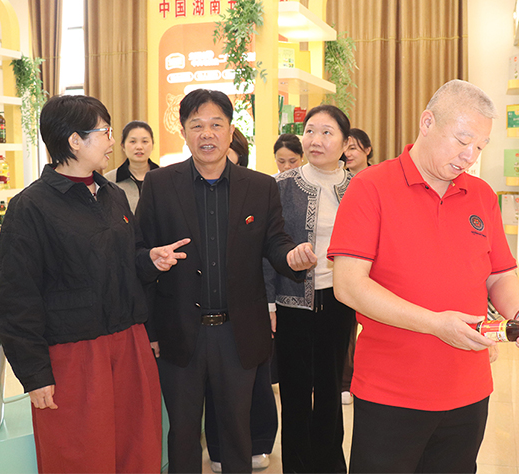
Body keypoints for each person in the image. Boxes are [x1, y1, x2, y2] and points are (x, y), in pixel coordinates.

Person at [328, 80, 519, 474]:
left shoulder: (481, 195)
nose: (470, 155)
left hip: (469, 390)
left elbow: (499, 276)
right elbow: (348, 285)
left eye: (480, 146)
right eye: (462, 140)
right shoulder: (370, 187)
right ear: (427, 123)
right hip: (391, 392)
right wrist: (434, 324)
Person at [0, 95, 189, 473]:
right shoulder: (30, 207)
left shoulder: (113, 195)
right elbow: (15, 296)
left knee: (137, 449)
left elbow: (126, 261)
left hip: (129, 344)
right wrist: (34, 374)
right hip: (73, 356)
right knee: (82, 456)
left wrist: (149, 259)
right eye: (105, 132)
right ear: (74, 141)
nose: (113, 142)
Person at [135, 88, 316, 474]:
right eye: (196, 125)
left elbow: (276, 243)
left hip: (238, 334)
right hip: (179, 331)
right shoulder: (159, 184)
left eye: (216, 124)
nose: (207, 133)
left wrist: (292, 258)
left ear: (231, 130)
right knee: (183, 434)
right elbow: (139, 253)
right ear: (184, 132)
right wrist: (151, 264)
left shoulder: (260, 186)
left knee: (237, 432)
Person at [270, 105, 355, 473]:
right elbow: (266, 248)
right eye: (310, 131)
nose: (315, 140)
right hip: (292, 302)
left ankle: (330, 465)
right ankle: (297, 466)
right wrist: (268, 303)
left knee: (331, 387)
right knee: (294, 391)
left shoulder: (359, 187)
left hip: (340, 299)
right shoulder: (280, 185)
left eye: (327, 132)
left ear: (346, 143)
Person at [206, 124, 277, 472]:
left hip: (250, 309)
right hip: (208, 311)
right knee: (214, 391)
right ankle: (219, 449)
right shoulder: (188, 190)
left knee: (254, 385)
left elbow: (269, 254)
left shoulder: (258, 190)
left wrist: (271, 304)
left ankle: (258, 442)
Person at [338, 127, 374, 406]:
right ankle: (345, 381)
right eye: (345, 147)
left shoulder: (378, 180)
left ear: (367, 150)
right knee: (346, 326)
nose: (347, 153)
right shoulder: (340, 181)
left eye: (353, 148)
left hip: (375, 265)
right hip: (347, 262)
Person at [104, 120, 160, 212]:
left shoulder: (165, 177)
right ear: (123, 146)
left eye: (145, 141)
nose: (139, 147)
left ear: (153, 145)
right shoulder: (110, 180)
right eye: (133, 141)